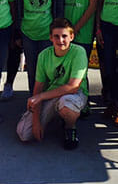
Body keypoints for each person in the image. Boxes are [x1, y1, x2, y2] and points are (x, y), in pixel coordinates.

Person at [16, 18, 88, 150]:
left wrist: (41, 97)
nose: (60, 40)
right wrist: (36, 122)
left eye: (64, 36)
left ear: (71, 36)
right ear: (50, 38)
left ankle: (70, 128)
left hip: (73, 94)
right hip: (52, 96)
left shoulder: (79, 52)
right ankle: (52, 117)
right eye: (56, 36)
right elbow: (38, 88)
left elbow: (73, 86)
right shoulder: (44, 55)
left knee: (67, 104)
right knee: (24, 134)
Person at [16, 0, 65, 93]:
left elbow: (58, 8)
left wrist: (56, 33)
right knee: (32, 69)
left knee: (48, 69)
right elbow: (18, 8)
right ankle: (34, 100)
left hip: (47, 33)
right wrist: (18, 33)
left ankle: (48, 99)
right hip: (28, 32)